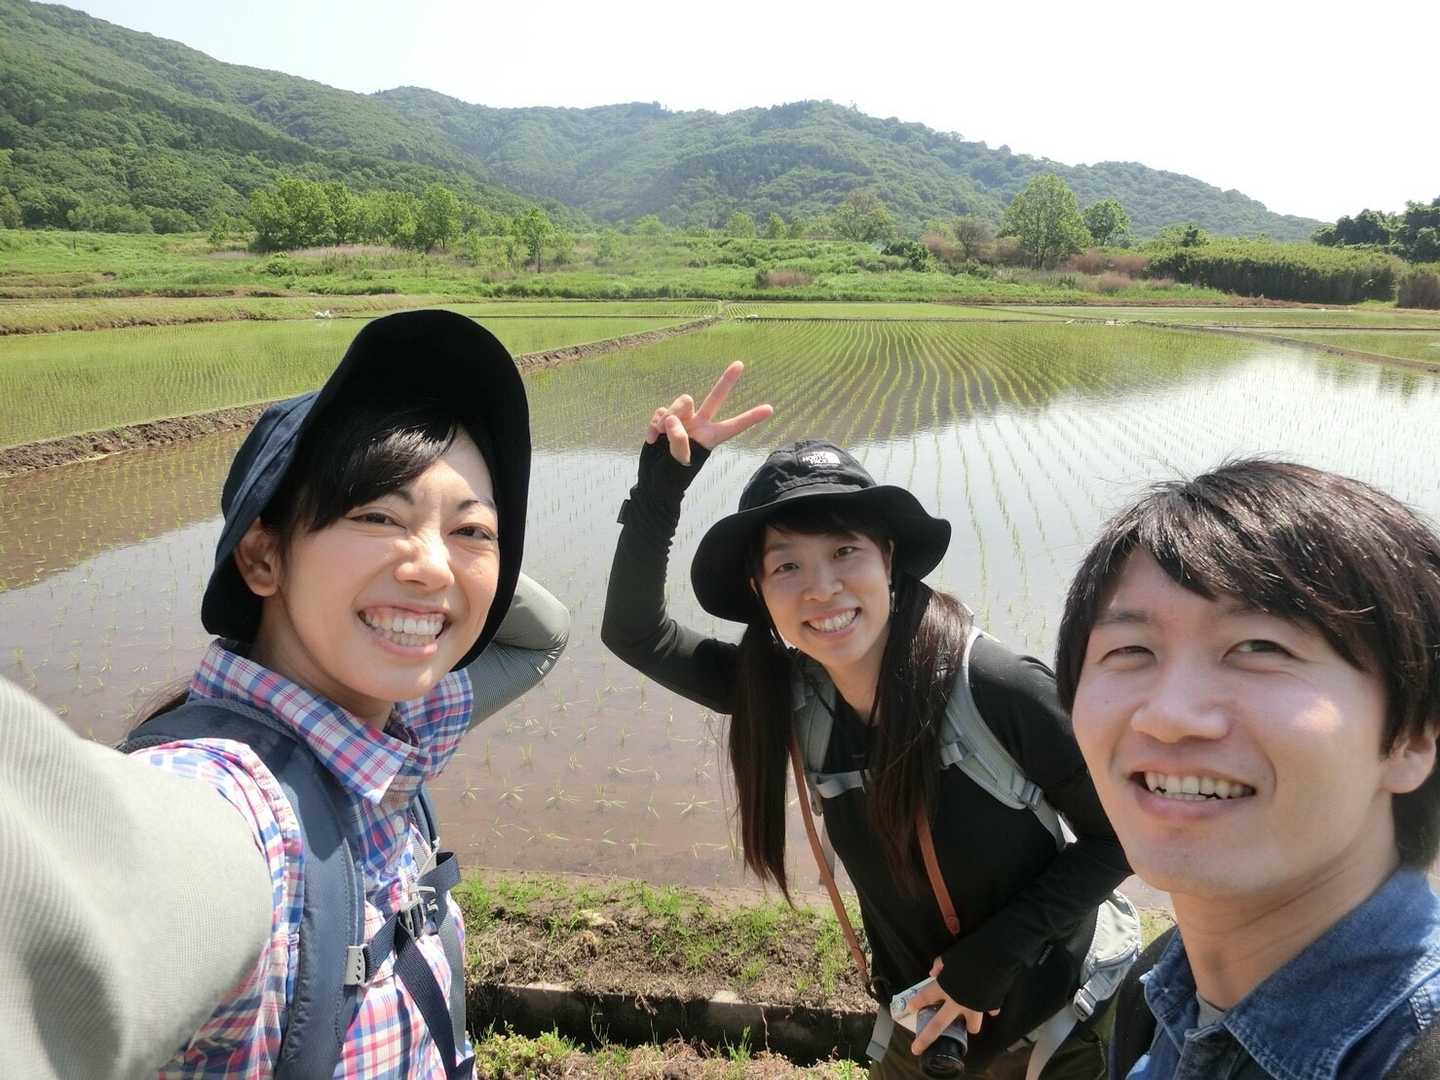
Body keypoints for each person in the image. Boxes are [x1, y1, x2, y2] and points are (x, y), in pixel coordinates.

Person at [0, 310, 570, 1079]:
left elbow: (541, 635)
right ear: (262, 556)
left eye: (473, 534)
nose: (433, 566)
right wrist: (451, 539)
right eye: (376, 514)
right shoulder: (235, 810)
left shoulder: (392, 735)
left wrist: (450, 543)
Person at [601, 363, 1130, 1078]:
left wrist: (991, 959)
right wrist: (662, 486)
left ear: (889, 559)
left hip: (1057, 1028)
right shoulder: (790, 695)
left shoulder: (994, 688)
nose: (822, 589)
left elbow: (1121, 833)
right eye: (786, 567)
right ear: (759, 591)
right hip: (922, 1032)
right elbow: (634, 632)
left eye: (845, 551)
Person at [1053, 459, 1440, 1079]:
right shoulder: (1159, 990)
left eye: (1260, 647)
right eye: (1130, 650)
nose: (1169, 716)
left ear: (1412, 739)